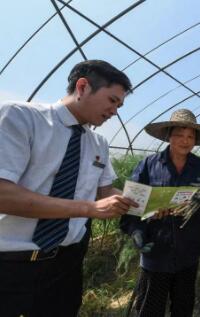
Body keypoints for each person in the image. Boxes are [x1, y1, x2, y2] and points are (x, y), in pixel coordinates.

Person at [0, 60, 138, 316]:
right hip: (11, 262)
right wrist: (89, 208)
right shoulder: (21, 118)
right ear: (83, 86)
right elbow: (3, 194)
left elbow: (105, 192)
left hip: (66, 264)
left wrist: (147, 205)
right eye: (112, 100)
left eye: (119, 105)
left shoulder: (98, 143)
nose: (114, 111)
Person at [119, 109, 200, 317]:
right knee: (150, 308)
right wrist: (136, 231)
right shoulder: (148, 166)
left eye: (190, 136)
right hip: (156, 250)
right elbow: (131, 204)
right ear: (168, 136)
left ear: (196, 140)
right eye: (179, 135)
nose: (185, 141)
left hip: (188, 251)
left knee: (183, 307)